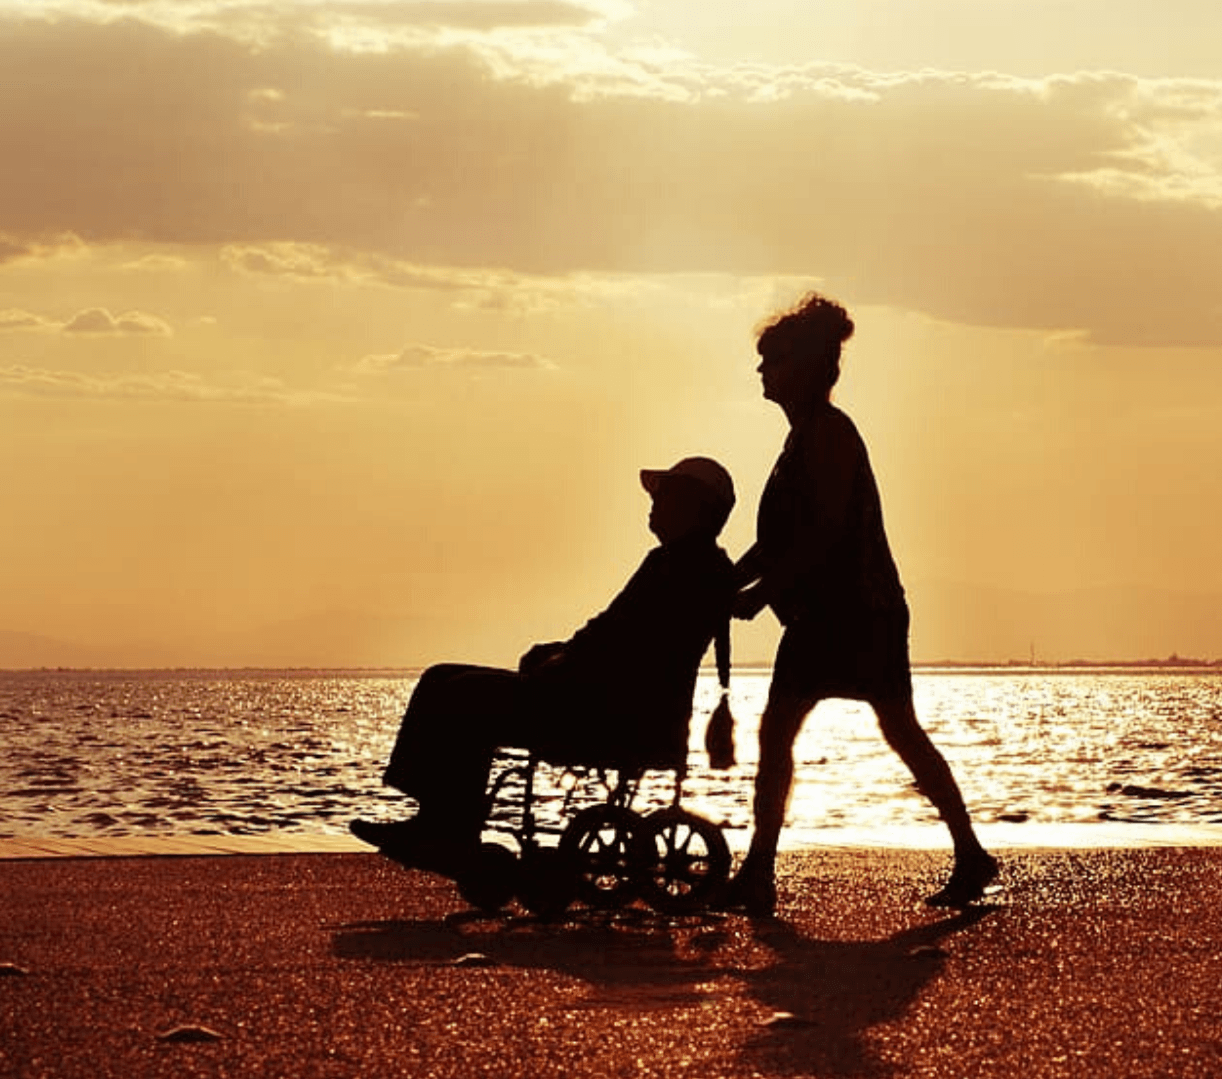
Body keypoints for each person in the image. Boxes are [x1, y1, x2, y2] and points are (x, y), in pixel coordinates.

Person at [722, 294, 998, 914]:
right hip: (820, 614)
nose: (761, 372)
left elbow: (820, 532)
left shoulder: (831, 436)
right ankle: (760, 870)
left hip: (858, 613)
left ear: (806, 367)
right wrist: (727, 579)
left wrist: (759, 595)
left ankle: (968, 854)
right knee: (788, 733)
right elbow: (775, 542)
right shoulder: (800, 440)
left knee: (896, 732)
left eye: (771, 362)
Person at [351, 457, 737, 874]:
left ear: (692, 507)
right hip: (602, 700)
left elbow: (618, 644)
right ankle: (436, 822)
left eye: (664, 496)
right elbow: (616, 636)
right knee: (440, 676)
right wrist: (562, 652)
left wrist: (560, 660)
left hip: (599, 712)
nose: (653, 504)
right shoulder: (689, 564)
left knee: (461, 694)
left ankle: (448, 830)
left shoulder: (678, 568)